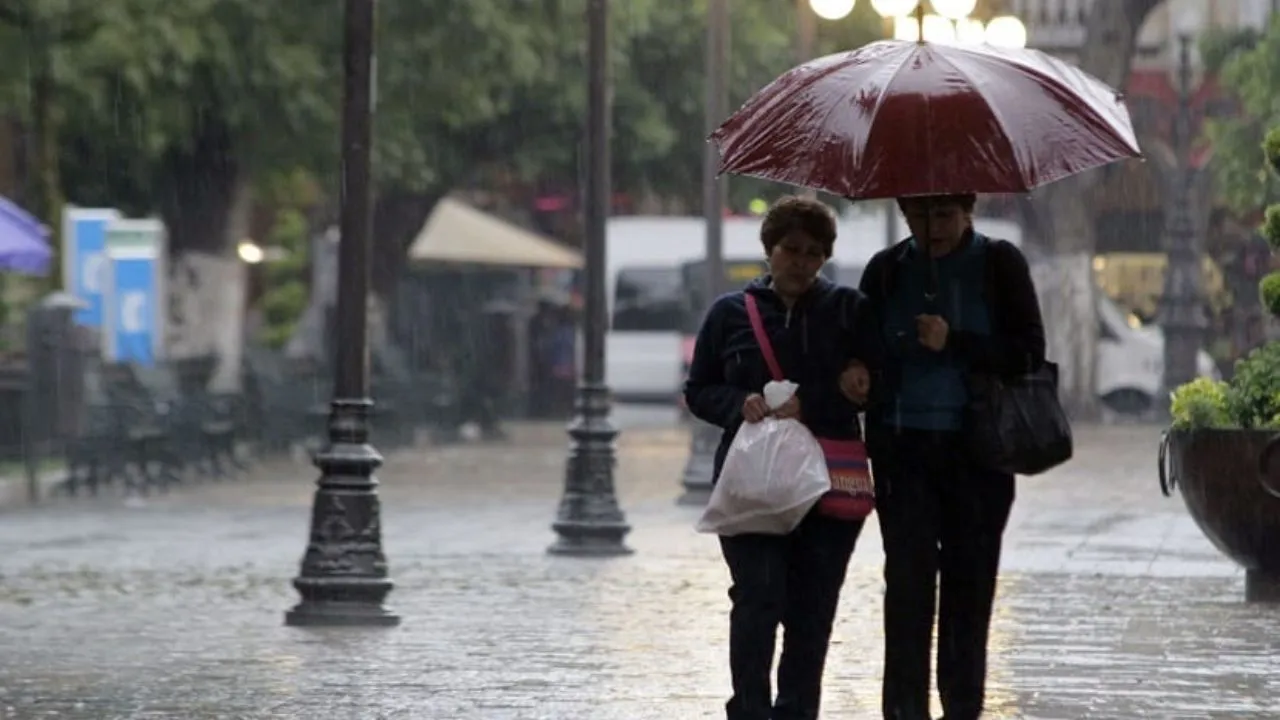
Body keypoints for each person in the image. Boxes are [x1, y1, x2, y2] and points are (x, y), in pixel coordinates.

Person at [684, 195, 879, 720]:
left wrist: (816, 400)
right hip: (751, 484)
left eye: (814, 253)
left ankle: (797, 710)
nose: (801, 261)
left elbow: (873, 385)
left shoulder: (847, 311)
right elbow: (698, 388)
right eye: (791, 249)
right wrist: (736, 403)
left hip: (827, 484)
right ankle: (749, 708)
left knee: (812, 609)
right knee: (758, 595)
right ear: (770, 250)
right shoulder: (730, 315)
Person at [854, 193, 1045, 720]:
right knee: (908, 589)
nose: (930, 227)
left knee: (970, 587)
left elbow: (1028, 350)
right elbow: (862, 344)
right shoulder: (886, 270)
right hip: (903, 452)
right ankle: (903, 709)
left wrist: (954, 341)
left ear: (967, 211)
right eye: (917, 214)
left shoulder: (999, 263)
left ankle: (962, 707)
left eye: (941, 214)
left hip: (978, 455)